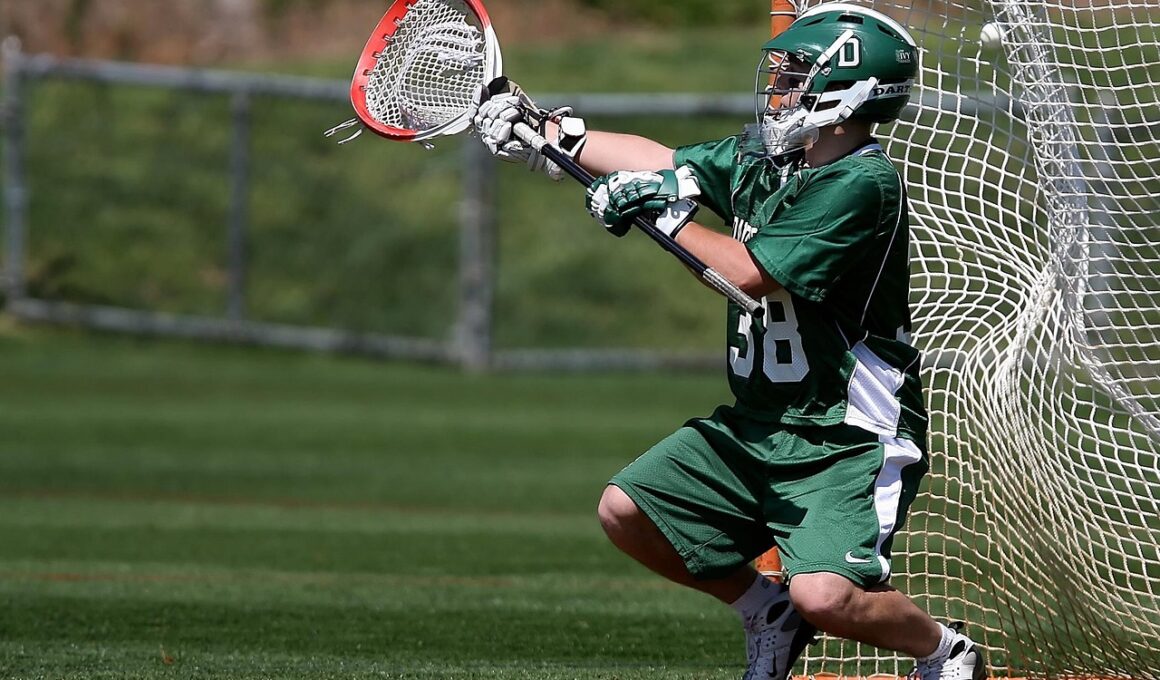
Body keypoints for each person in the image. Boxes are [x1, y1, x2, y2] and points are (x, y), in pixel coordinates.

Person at [473, 4, 987, 680]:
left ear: (847, 94)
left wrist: (661, 213)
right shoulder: (766, 161)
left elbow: (747, 271)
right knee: (627, 511)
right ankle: (765, 611)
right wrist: (548, 135)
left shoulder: (862, 184)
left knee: (826, 597)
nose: (780, 89)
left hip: (845, 435)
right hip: (760, 424)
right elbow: (664, 161)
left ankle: (943, 652)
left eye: (796, 76)